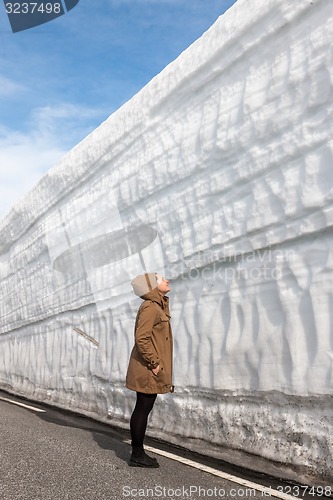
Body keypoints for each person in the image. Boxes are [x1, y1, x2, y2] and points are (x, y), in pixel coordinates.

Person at [126, 272, 174, 468]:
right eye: (162, 279)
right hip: (147, 368)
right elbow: (142, 338)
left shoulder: (157, 306)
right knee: (142, 408)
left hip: (150, 367)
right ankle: (137, 454)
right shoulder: (150, 307)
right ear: (152, 287)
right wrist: (154, 363)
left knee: (143, 408)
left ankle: (138, 452)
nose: (166, 280)